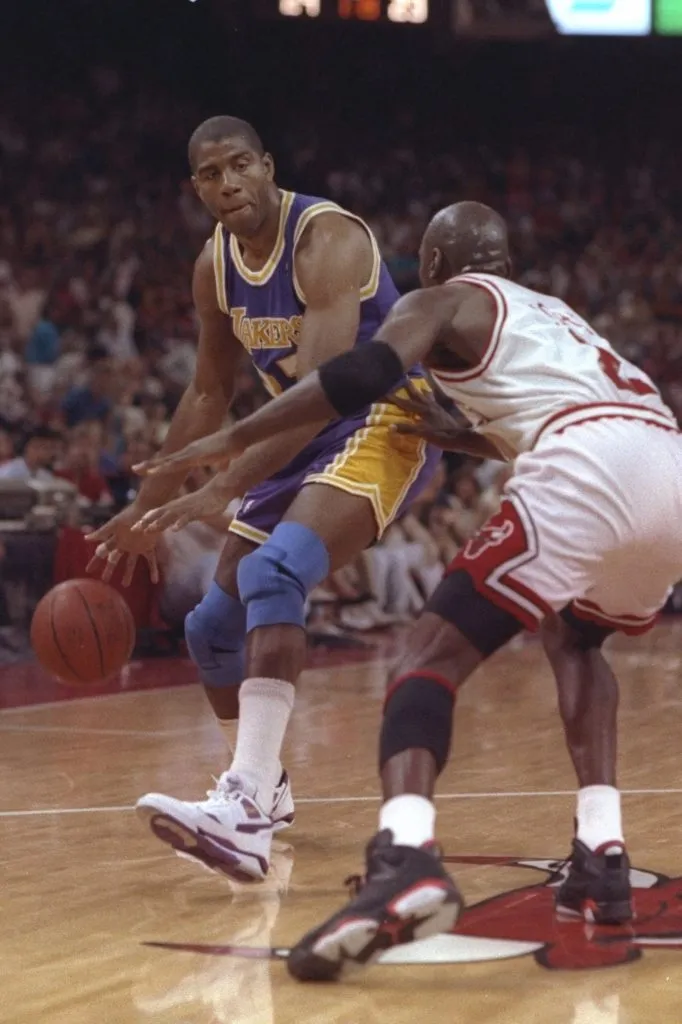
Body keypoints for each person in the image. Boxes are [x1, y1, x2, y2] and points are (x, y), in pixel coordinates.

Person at [137, 200, 682, 980]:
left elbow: (363, 373)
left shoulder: (437, 300)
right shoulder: (554, 314)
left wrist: (236, 436)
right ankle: (602, 848)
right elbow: (531, 420)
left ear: (428, 267)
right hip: (666, 460)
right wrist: (457, 434)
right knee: (576, 635)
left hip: (592, 458)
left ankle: (405, 860)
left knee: (424, 657)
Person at [87, 115, 440, 883]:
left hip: (379, 419)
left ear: (268, 165)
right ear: (197, 189)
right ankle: (265, 788)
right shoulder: (213, 264)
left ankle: (242, 806)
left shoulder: (327, 239)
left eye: (240, 165)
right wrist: (148, 507)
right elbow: (210, 389)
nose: (229, 183)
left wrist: (217, 486)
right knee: (212, 625)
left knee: (274, 573)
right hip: (296, 435)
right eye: (212, 175)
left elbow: (320, 392)